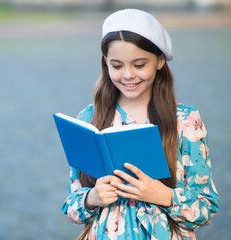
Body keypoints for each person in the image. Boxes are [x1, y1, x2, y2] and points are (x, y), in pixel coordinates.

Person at [62, 9, 219, 240]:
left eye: (139, 65)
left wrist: (162, 195)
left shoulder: (185, 120)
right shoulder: (89, 118)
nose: (127, 75)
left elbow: (206, 208)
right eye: (117, 66)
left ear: (160, 60)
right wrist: (92, 197)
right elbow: (72, 206)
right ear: (105, 63)